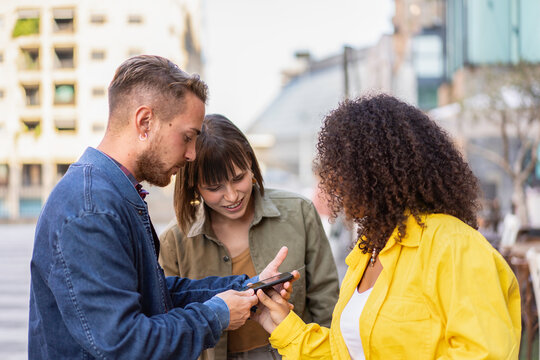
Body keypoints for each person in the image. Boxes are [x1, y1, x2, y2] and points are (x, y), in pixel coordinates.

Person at [28, 55, 296, 359]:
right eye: (187, 137)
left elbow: (152, 295)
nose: (193, 154)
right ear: (145, 122)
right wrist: (216, 315)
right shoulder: (91, 208)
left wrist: (246, 287)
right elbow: (125, 344)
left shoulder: (111, 194)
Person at [253, 94, 521, 359]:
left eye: (344, 174)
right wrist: (283, 324)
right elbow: (347, 352)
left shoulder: (454, 245)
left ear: (378, 174)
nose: (335, 189)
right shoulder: (366, 253)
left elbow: (484, 352)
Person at [159, 114, 340, 359]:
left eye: (238, 178)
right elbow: (168, 321)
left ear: (252, 166)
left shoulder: (299, 212)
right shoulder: (174, 241)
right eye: (214, 188)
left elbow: (327, 304)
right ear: (193, 186)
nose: (232, 196)